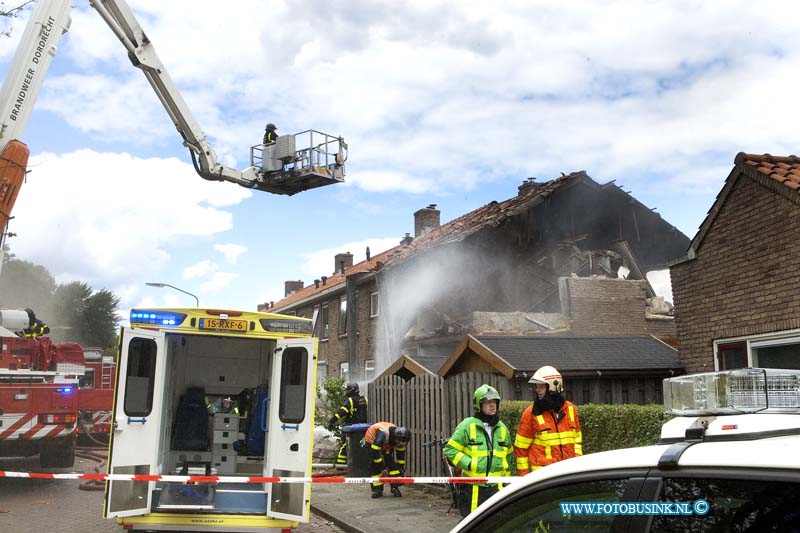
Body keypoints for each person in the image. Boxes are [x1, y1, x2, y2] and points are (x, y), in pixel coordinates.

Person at [445, 384, 512, 517]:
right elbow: (450, 449)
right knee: (472, 522)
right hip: (472, 487)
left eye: (494, 402)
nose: (492, 405)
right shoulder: (467, 425)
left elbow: (509, 455)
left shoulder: (502, 428)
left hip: (497, 487)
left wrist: (507, 481)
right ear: (478, 405)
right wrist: (470, 464)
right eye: (488, 402)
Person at [514, 366, 582, 475]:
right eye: (537, 386)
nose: (537, 390)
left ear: (553, 386)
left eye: (541, 386)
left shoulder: (570, 409)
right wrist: (525, 478)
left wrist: (577, 463)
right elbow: (521, 449)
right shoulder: (530, 414)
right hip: (543, 479)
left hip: (569, 475)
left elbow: (577, 441)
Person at [363, 421, 411, 498]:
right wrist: (382, 468)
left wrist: (400, 467)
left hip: (386, 444)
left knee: (392, 465)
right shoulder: (382, 435)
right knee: (374, 466)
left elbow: (400, 455)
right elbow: (375, 452)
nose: (400, 444)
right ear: (396, 438)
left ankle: (394, 487)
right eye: (399, 442)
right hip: (372, 443)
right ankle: (377, 490)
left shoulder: (399, 437)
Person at [327, 382, 368, 466]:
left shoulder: (350, 400)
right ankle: (359, 464)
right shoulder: (365, 399)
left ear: (351, 390)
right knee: (361, 446)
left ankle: (340, 466)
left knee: (345, 445)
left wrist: (332, 421)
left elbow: (342, 412)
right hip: (363, 428)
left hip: (351, 428)